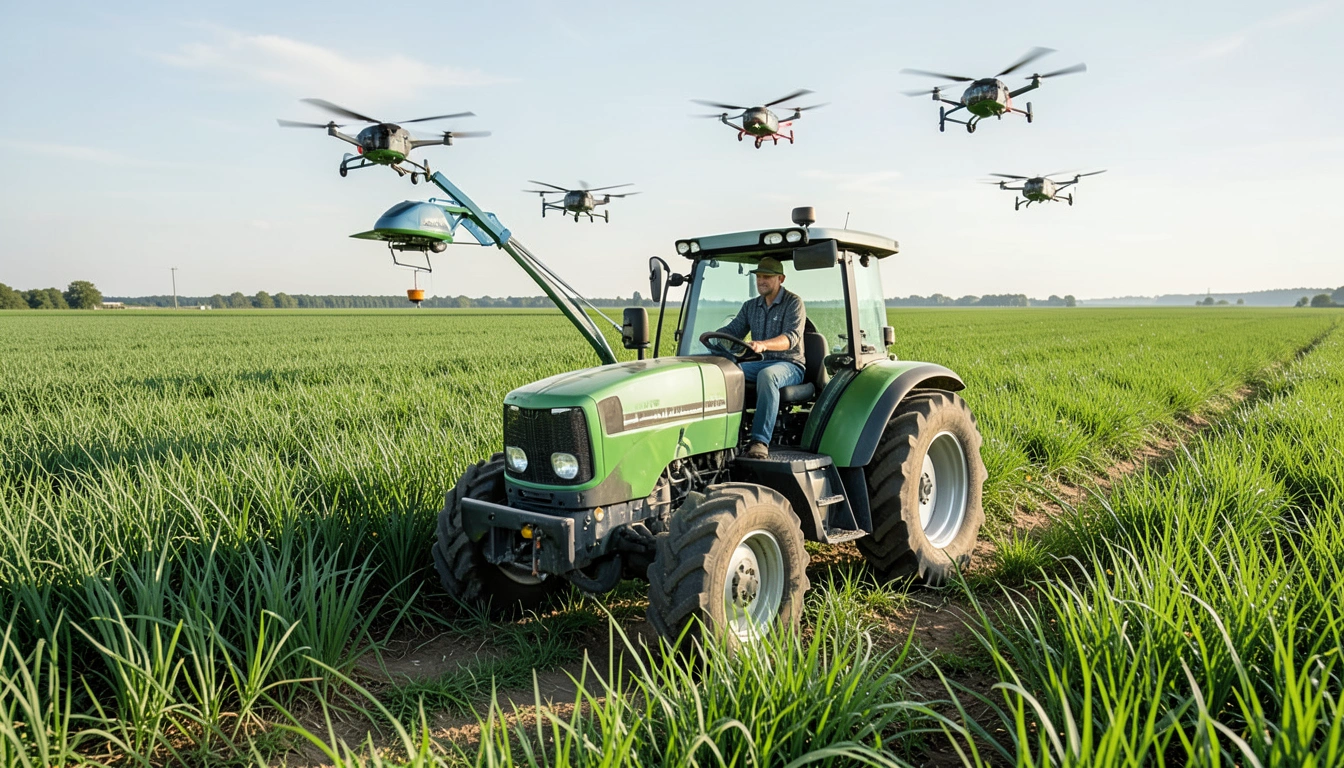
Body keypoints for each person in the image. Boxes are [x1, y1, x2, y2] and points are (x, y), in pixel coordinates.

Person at [714, 256, 807, 459]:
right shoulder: (751, 306)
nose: (761, 281)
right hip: (761, 363)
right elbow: (733, 330)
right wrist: (715, 338)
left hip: (789, 364)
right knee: (727, 373)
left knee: (768, 375)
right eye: (758, 277)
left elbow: (791, 338)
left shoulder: (793, 303)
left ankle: (759, 441)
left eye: (767, 277)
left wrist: (764, 344)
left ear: (781, 279)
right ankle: (730, 435)